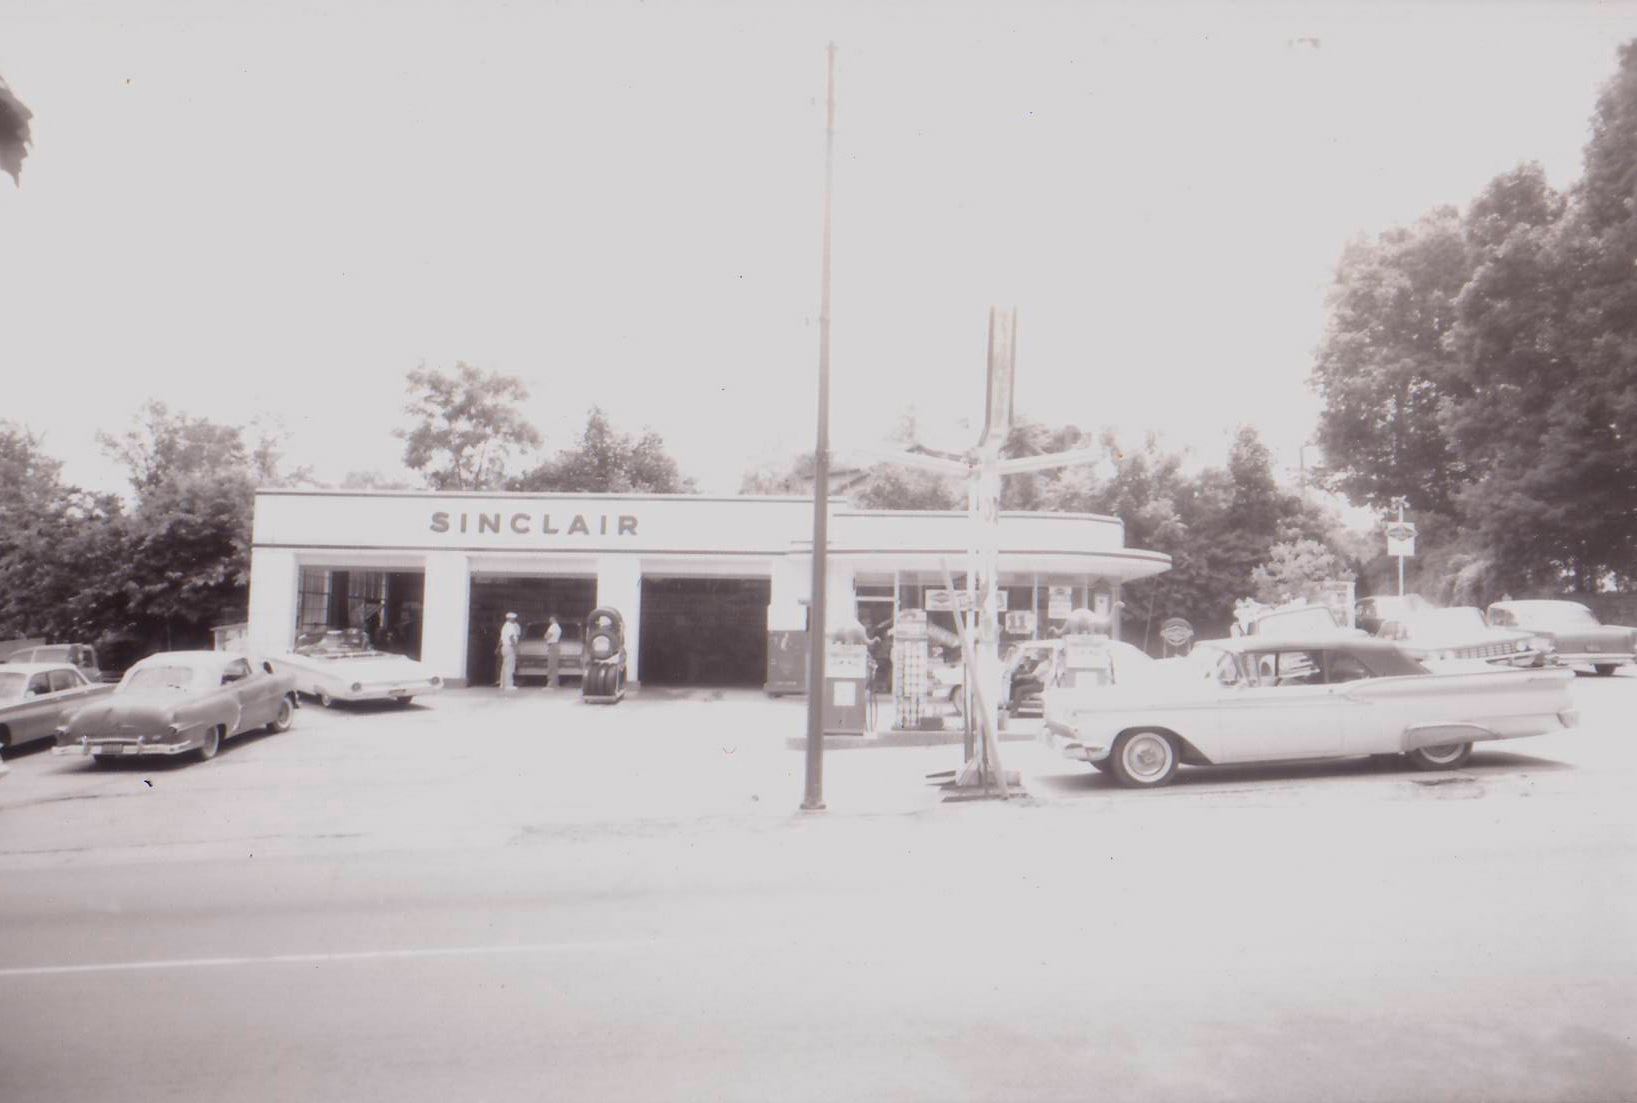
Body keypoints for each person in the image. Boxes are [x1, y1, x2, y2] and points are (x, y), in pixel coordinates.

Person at [497, 612, 521, 691]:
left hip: (504, 647)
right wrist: (516, 648)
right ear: (510, 618)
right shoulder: (510, 626)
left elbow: (501, 639)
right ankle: (509, 685)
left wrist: (498, 648)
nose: (514, 620)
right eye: (514, 618)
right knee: (510, 667)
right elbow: (511, 638)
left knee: (504, 666)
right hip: (510, 647)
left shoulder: (504, 626)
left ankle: (503, 684)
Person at [543, 616, 563, 687]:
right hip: (556, 645)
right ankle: (555, 682)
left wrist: (545, 635)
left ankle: (551, 682)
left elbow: (547, 636)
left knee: (551, 665)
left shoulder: (553, 627)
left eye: (550, 618)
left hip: (552, 645)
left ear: (553, 619)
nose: (549, 620)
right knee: (554, 665)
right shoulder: (558, 627)